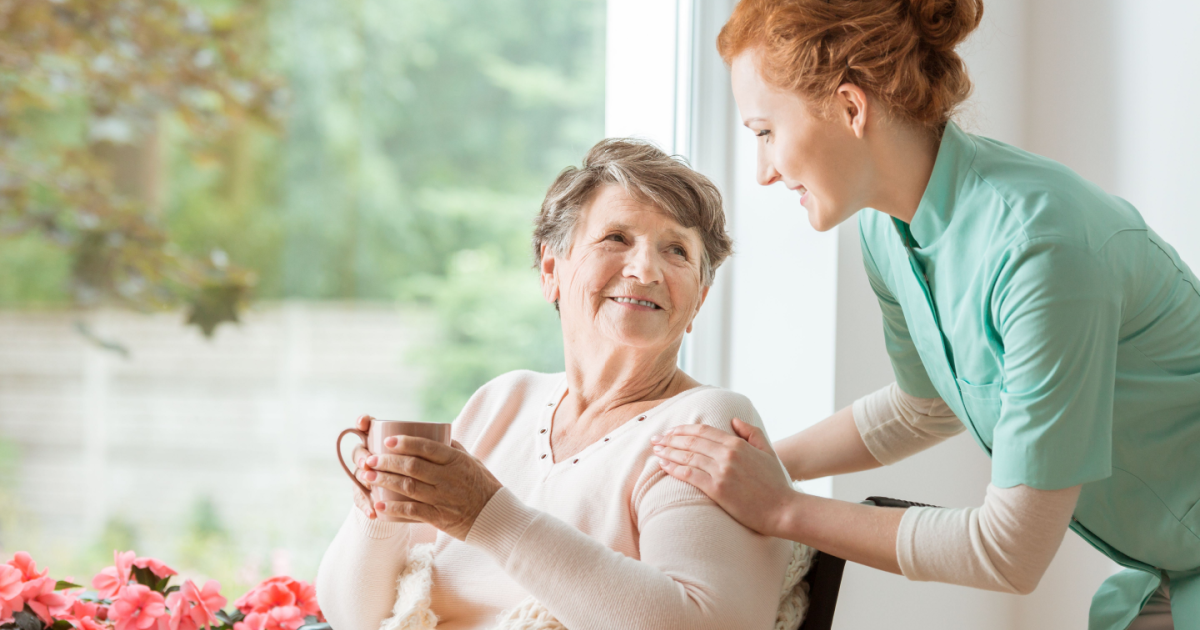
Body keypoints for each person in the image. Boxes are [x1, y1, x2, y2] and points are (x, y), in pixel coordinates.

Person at [649, 1, 1200, 629]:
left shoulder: (1040, 252)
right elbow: (926, 405)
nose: (764, 171)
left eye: (765, 132)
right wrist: (764, 461)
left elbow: (1010, 552)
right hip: (1168, 569)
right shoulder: (889, 231)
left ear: (851, 108)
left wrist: (782, 508)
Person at [315, 139, 803, 630]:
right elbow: (353, 615)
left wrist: (487, 515)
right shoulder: (503, 401)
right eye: (616, 238)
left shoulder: (706, 422)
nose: (645, 269)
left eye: (676, 250)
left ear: (699, 297)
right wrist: (376, 505)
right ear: (552, 269)